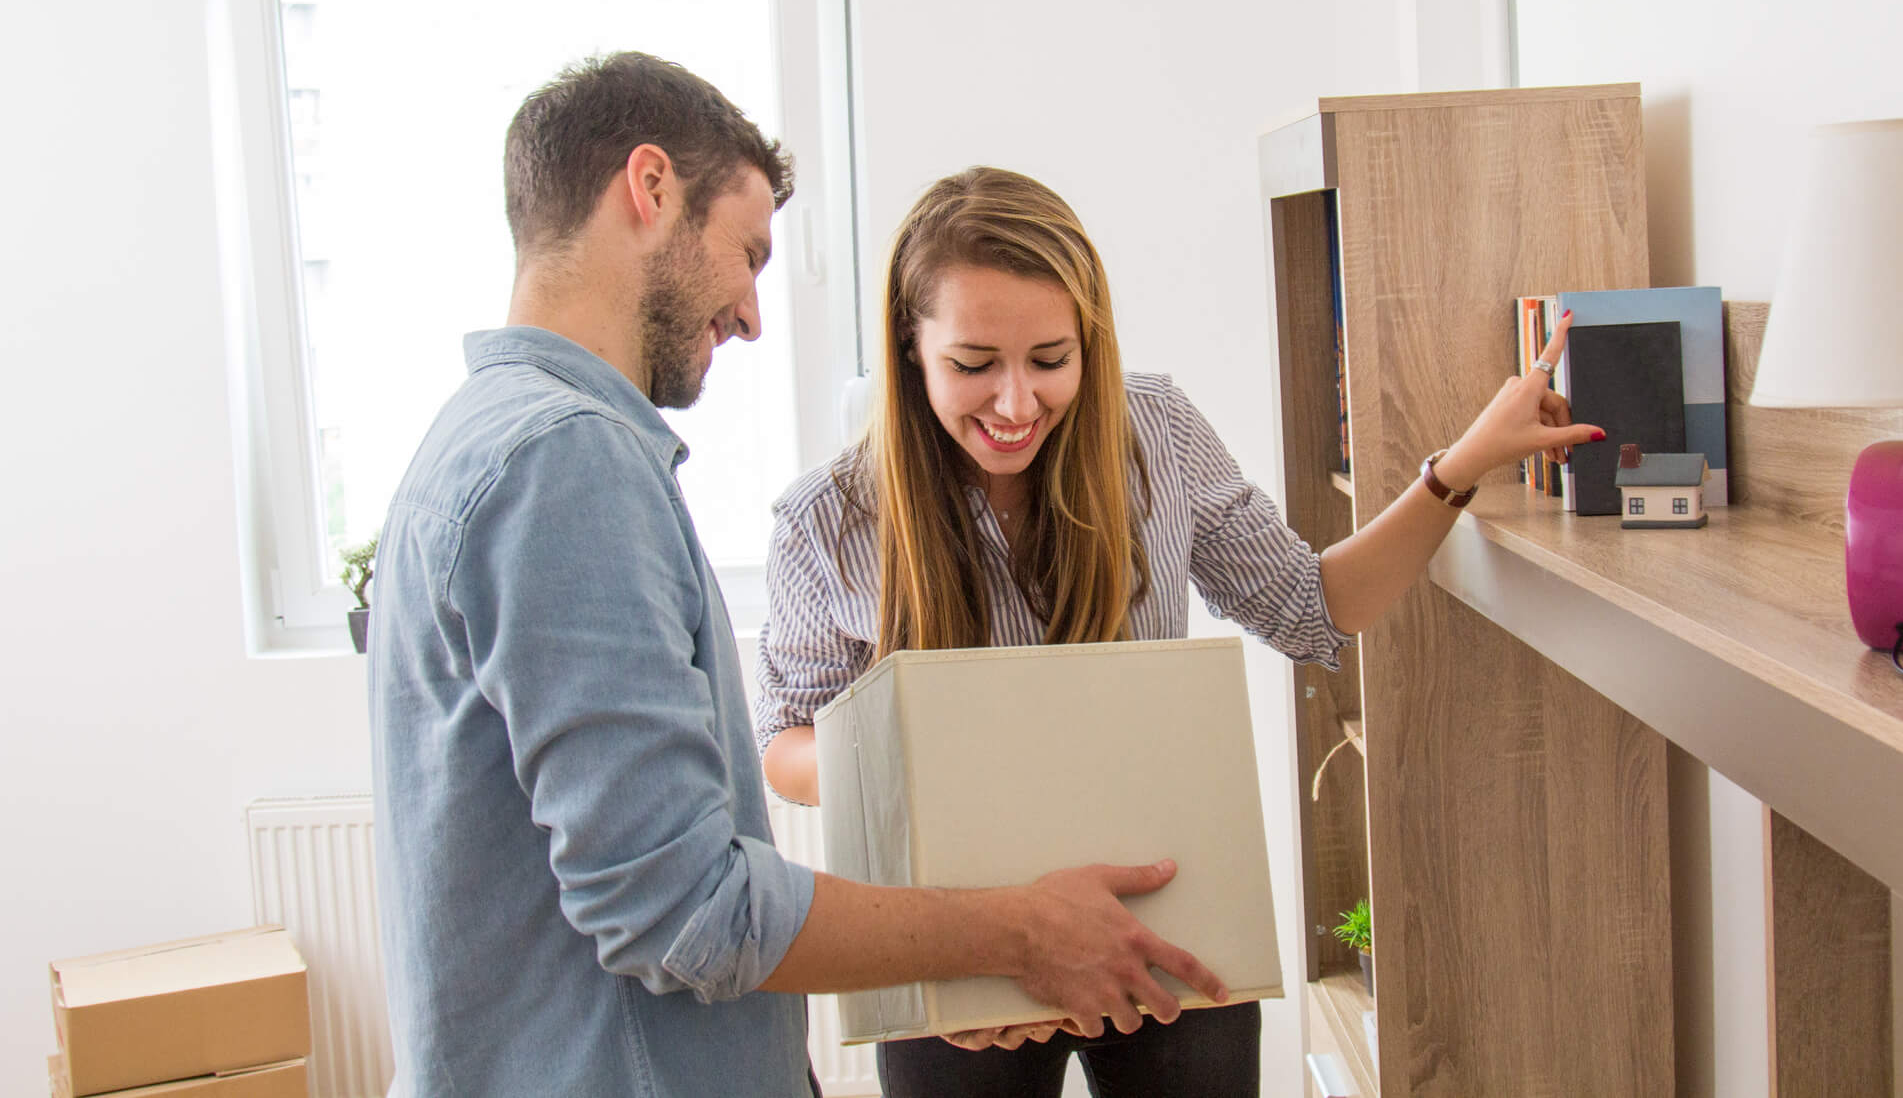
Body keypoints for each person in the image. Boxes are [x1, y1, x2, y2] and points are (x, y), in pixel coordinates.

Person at [368, 57, 1227, 1098]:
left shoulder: (482, 437)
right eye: (749, 252)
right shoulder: (564, 462)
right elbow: (684, 908)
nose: (750, 313)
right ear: (650, 189)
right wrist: (1014, 926)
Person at [753, 166, 1598, 1098]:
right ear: (909, 349)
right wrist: (925, 754)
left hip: (1161, 925)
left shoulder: (1152, 427)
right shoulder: (826, 518)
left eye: (1049, 359)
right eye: (972, 364)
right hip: (959, 949)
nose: (1016, 404)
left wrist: (1462, 462)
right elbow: (783, 745)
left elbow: (1314, 605)